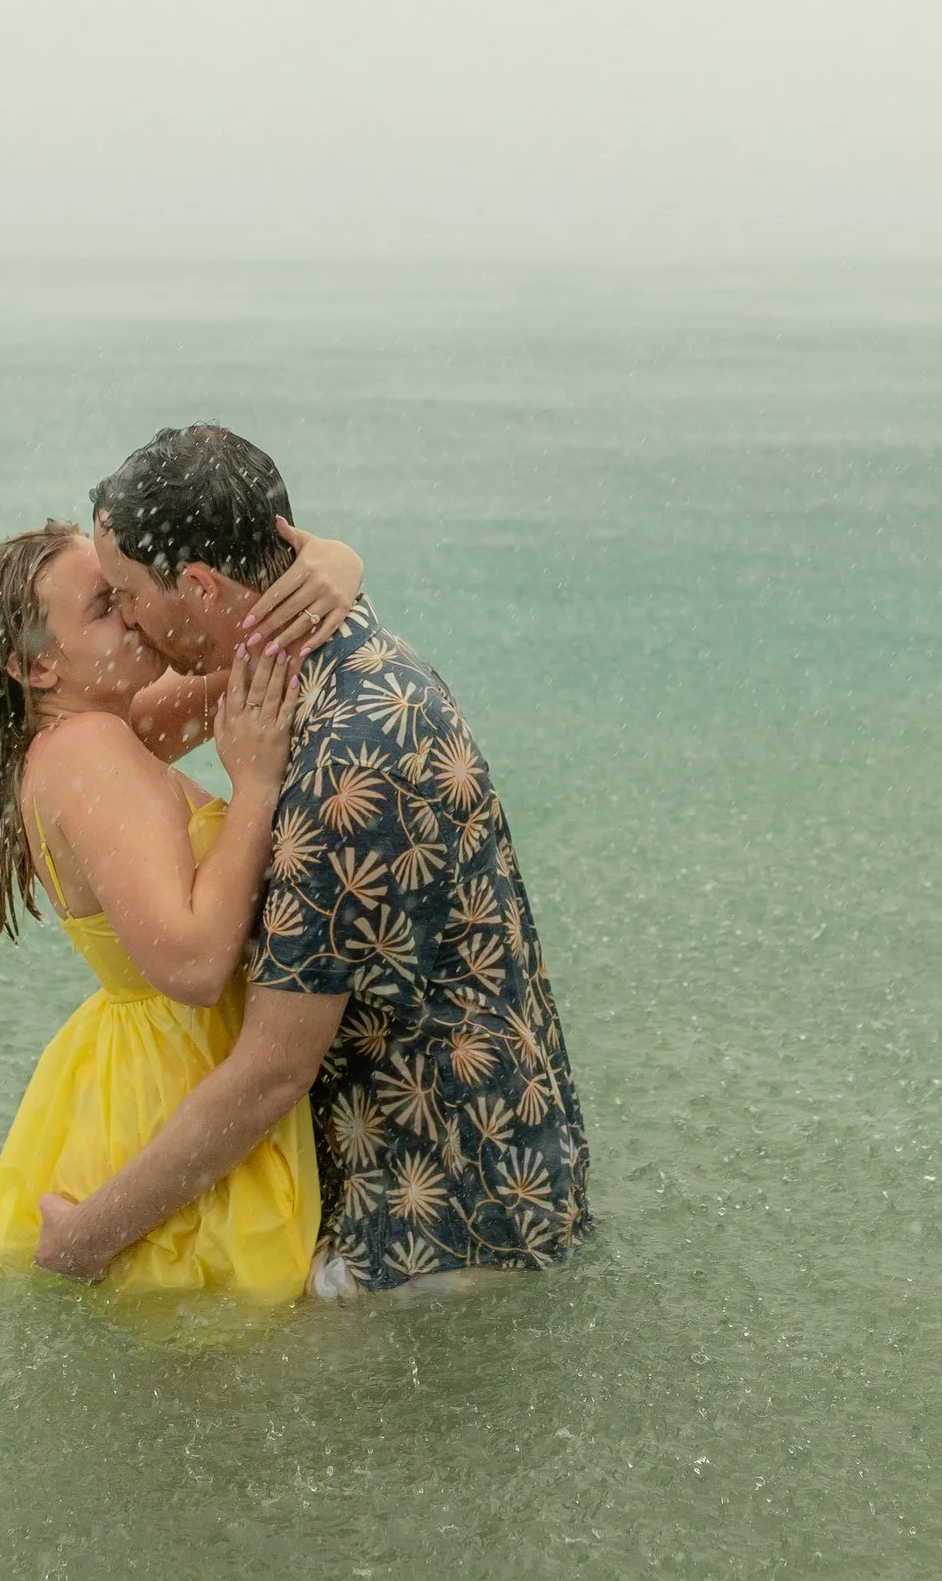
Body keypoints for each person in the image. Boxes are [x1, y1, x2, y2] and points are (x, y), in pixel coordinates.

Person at [33, 423, 591, 1296]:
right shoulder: (318, 655)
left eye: (129, 594)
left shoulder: (345, 758)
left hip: (427, 1225)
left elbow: (270, 1072)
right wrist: (337, 562)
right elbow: (111, 738)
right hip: (486, 1164)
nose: (130, 614)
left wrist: (82, 1241)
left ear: (198, 584)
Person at [0, 515, 360, 1300]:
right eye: (107, 605)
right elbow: (196, 964)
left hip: (131, 1068)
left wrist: (334, 565)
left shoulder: (95, 728)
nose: (138, 612)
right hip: (173, 1082)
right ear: (34, 667)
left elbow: (253, 666)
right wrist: (256, 787)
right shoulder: (89, 757)